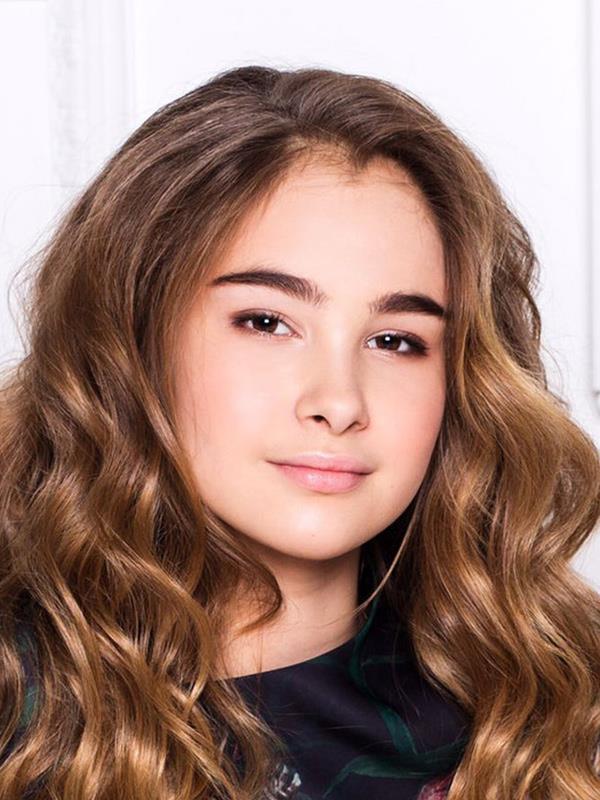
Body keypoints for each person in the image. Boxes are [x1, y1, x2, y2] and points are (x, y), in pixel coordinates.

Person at [0, 64, 598, 800]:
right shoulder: (20, 709)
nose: (338, 402)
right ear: (132, 340)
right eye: (267, 322)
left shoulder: (548, 714)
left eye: (396, 340)